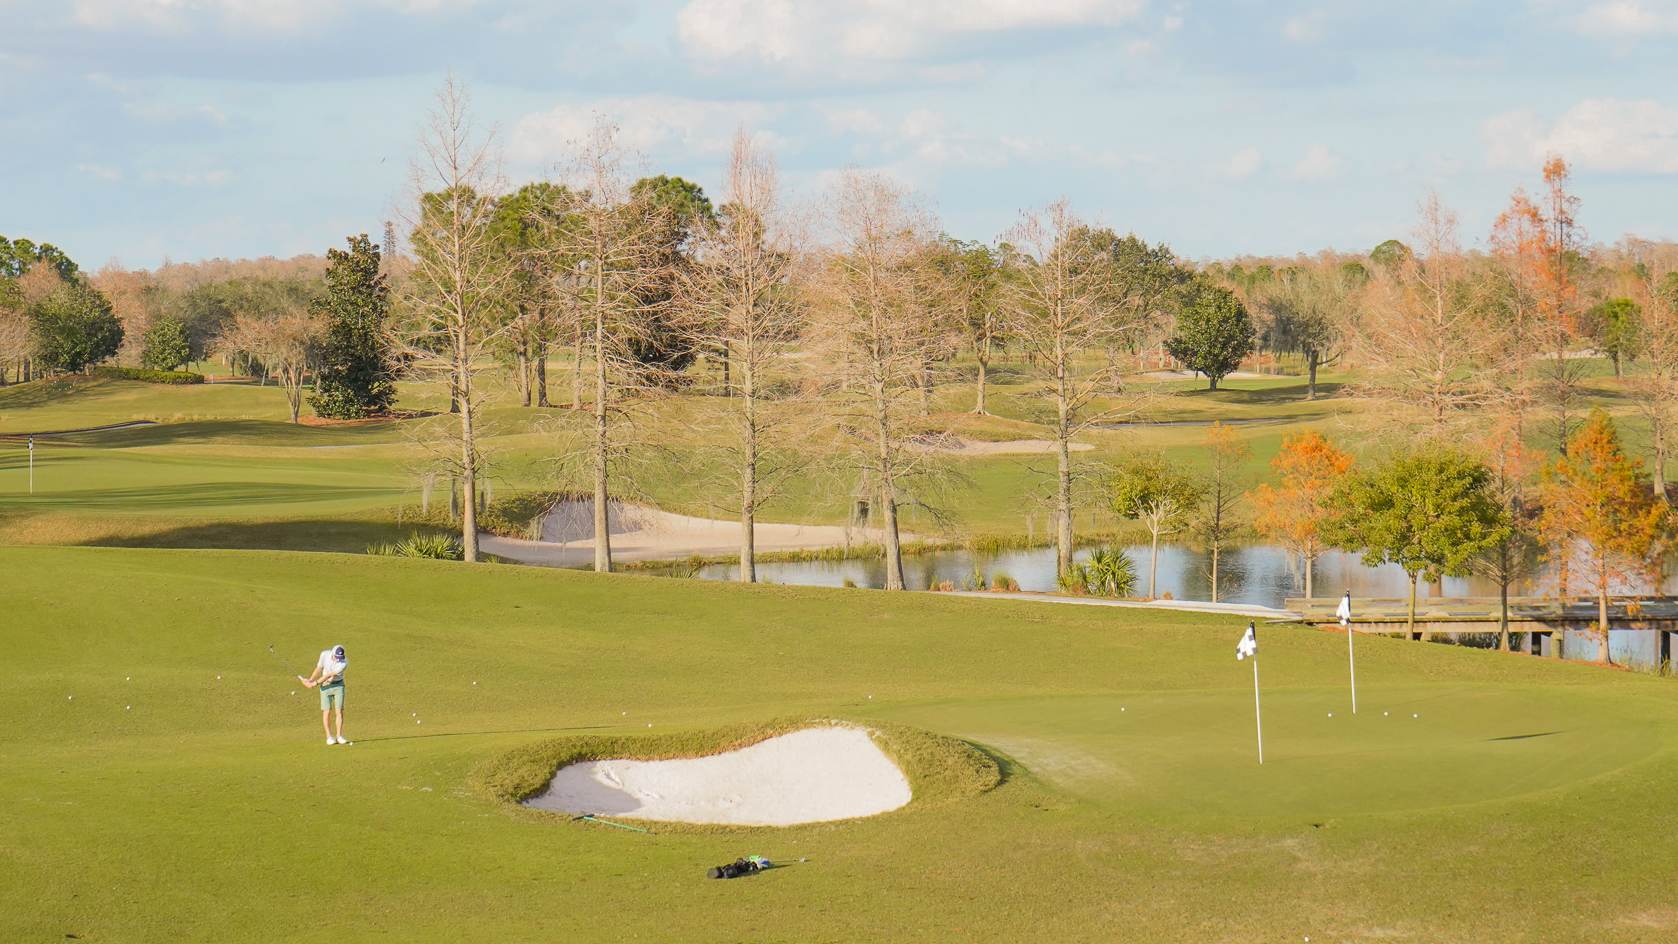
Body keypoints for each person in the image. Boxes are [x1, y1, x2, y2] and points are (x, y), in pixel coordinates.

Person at [298, 645, 349, 746]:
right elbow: (319, 668)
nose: (338, 660)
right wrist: (310, 679)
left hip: (338, 685)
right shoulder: (324, 654)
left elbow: (328, 675)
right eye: (336, 657)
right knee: (327, 711)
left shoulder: (344, 662)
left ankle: (339, 736)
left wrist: (313, 684)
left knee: (339, 711)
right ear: (332, 653)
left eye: (340, 658)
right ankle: (329, 737)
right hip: (325, 686)